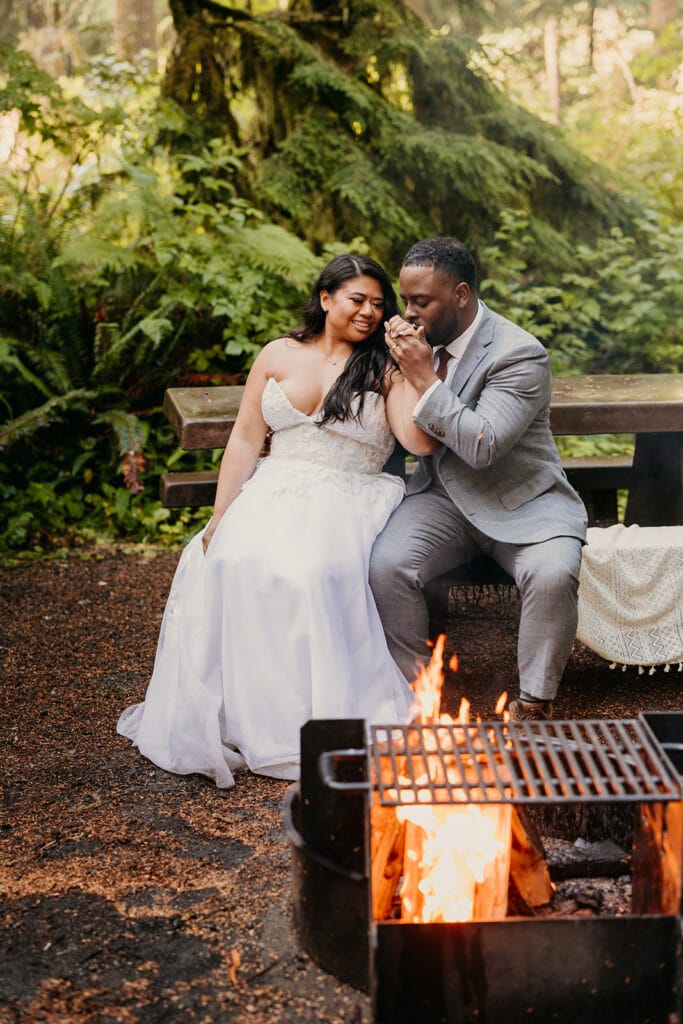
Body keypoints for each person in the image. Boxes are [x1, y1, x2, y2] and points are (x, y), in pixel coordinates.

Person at [117, 254, 435, 787]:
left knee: (309, 573)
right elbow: (245, 438)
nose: (370, 312)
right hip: (274, 486)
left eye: (379, 304)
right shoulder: (277, 354)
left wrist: (418, 375)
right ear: (326, 297)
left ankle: (306, 722)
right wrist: (219, 517)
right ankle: (241, 718)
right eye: (358, 299)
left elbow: (418, 442)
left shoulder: (383, 366)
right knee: (224, 559)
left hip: (348, 495)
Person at [369, 236, 587, 721]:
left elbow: (483, 446)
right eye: (405, 300)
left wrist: (423, 377)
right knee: (387, 565)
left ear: (461, 295)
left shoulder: (519, 353)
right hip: (443, 499)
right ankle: (421, 694)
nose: (409, 313)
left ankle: (533, 705)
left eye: (421, 301)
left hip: (525, 502)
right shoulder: (417, 346)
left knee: (552, 573)